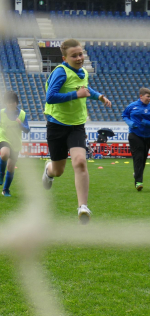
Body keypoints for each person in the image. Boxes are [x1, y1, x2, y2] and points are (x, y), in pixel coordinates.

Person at [41, 38, 112, 224]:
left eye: (81, 54)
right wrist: (76, 95)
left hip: (76, 125)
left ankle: (83, 207)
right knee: (58, 170)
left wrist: (100, 97)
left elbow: (86, 88)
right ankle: (48, 171)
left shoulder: (83, 72)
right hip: (56, 125)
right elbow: (50, 98)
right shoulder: (60, 72)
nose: (79, 58)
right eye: (74, 55)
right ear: (65, 58)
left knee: (80, 162)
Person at [0, 91, 30, 197]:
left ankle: (6, 190)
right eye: (8, 102)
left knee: (11, 167)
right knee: (5, 153)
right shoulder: (2, 113)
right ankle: (1, 173)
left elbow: (27, 130)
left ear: (16, 102)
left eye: (13, 102)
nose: (11, 104)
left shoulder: (22, 114)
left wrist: (20, 124)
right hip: (4, 137)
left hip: (15, 141)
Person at [122, 87, 150, 191]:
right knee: (138, 157)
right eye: (148, 96)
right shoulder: (132, 106)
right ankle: (138, 182)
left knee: (143, 158)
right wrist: (130, 123)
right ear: (141, 96)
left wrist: (147, 123)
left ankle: (137, 173)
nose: (149, 98)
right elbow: (124, 115)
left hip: (148, 136)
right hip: (135, 135)